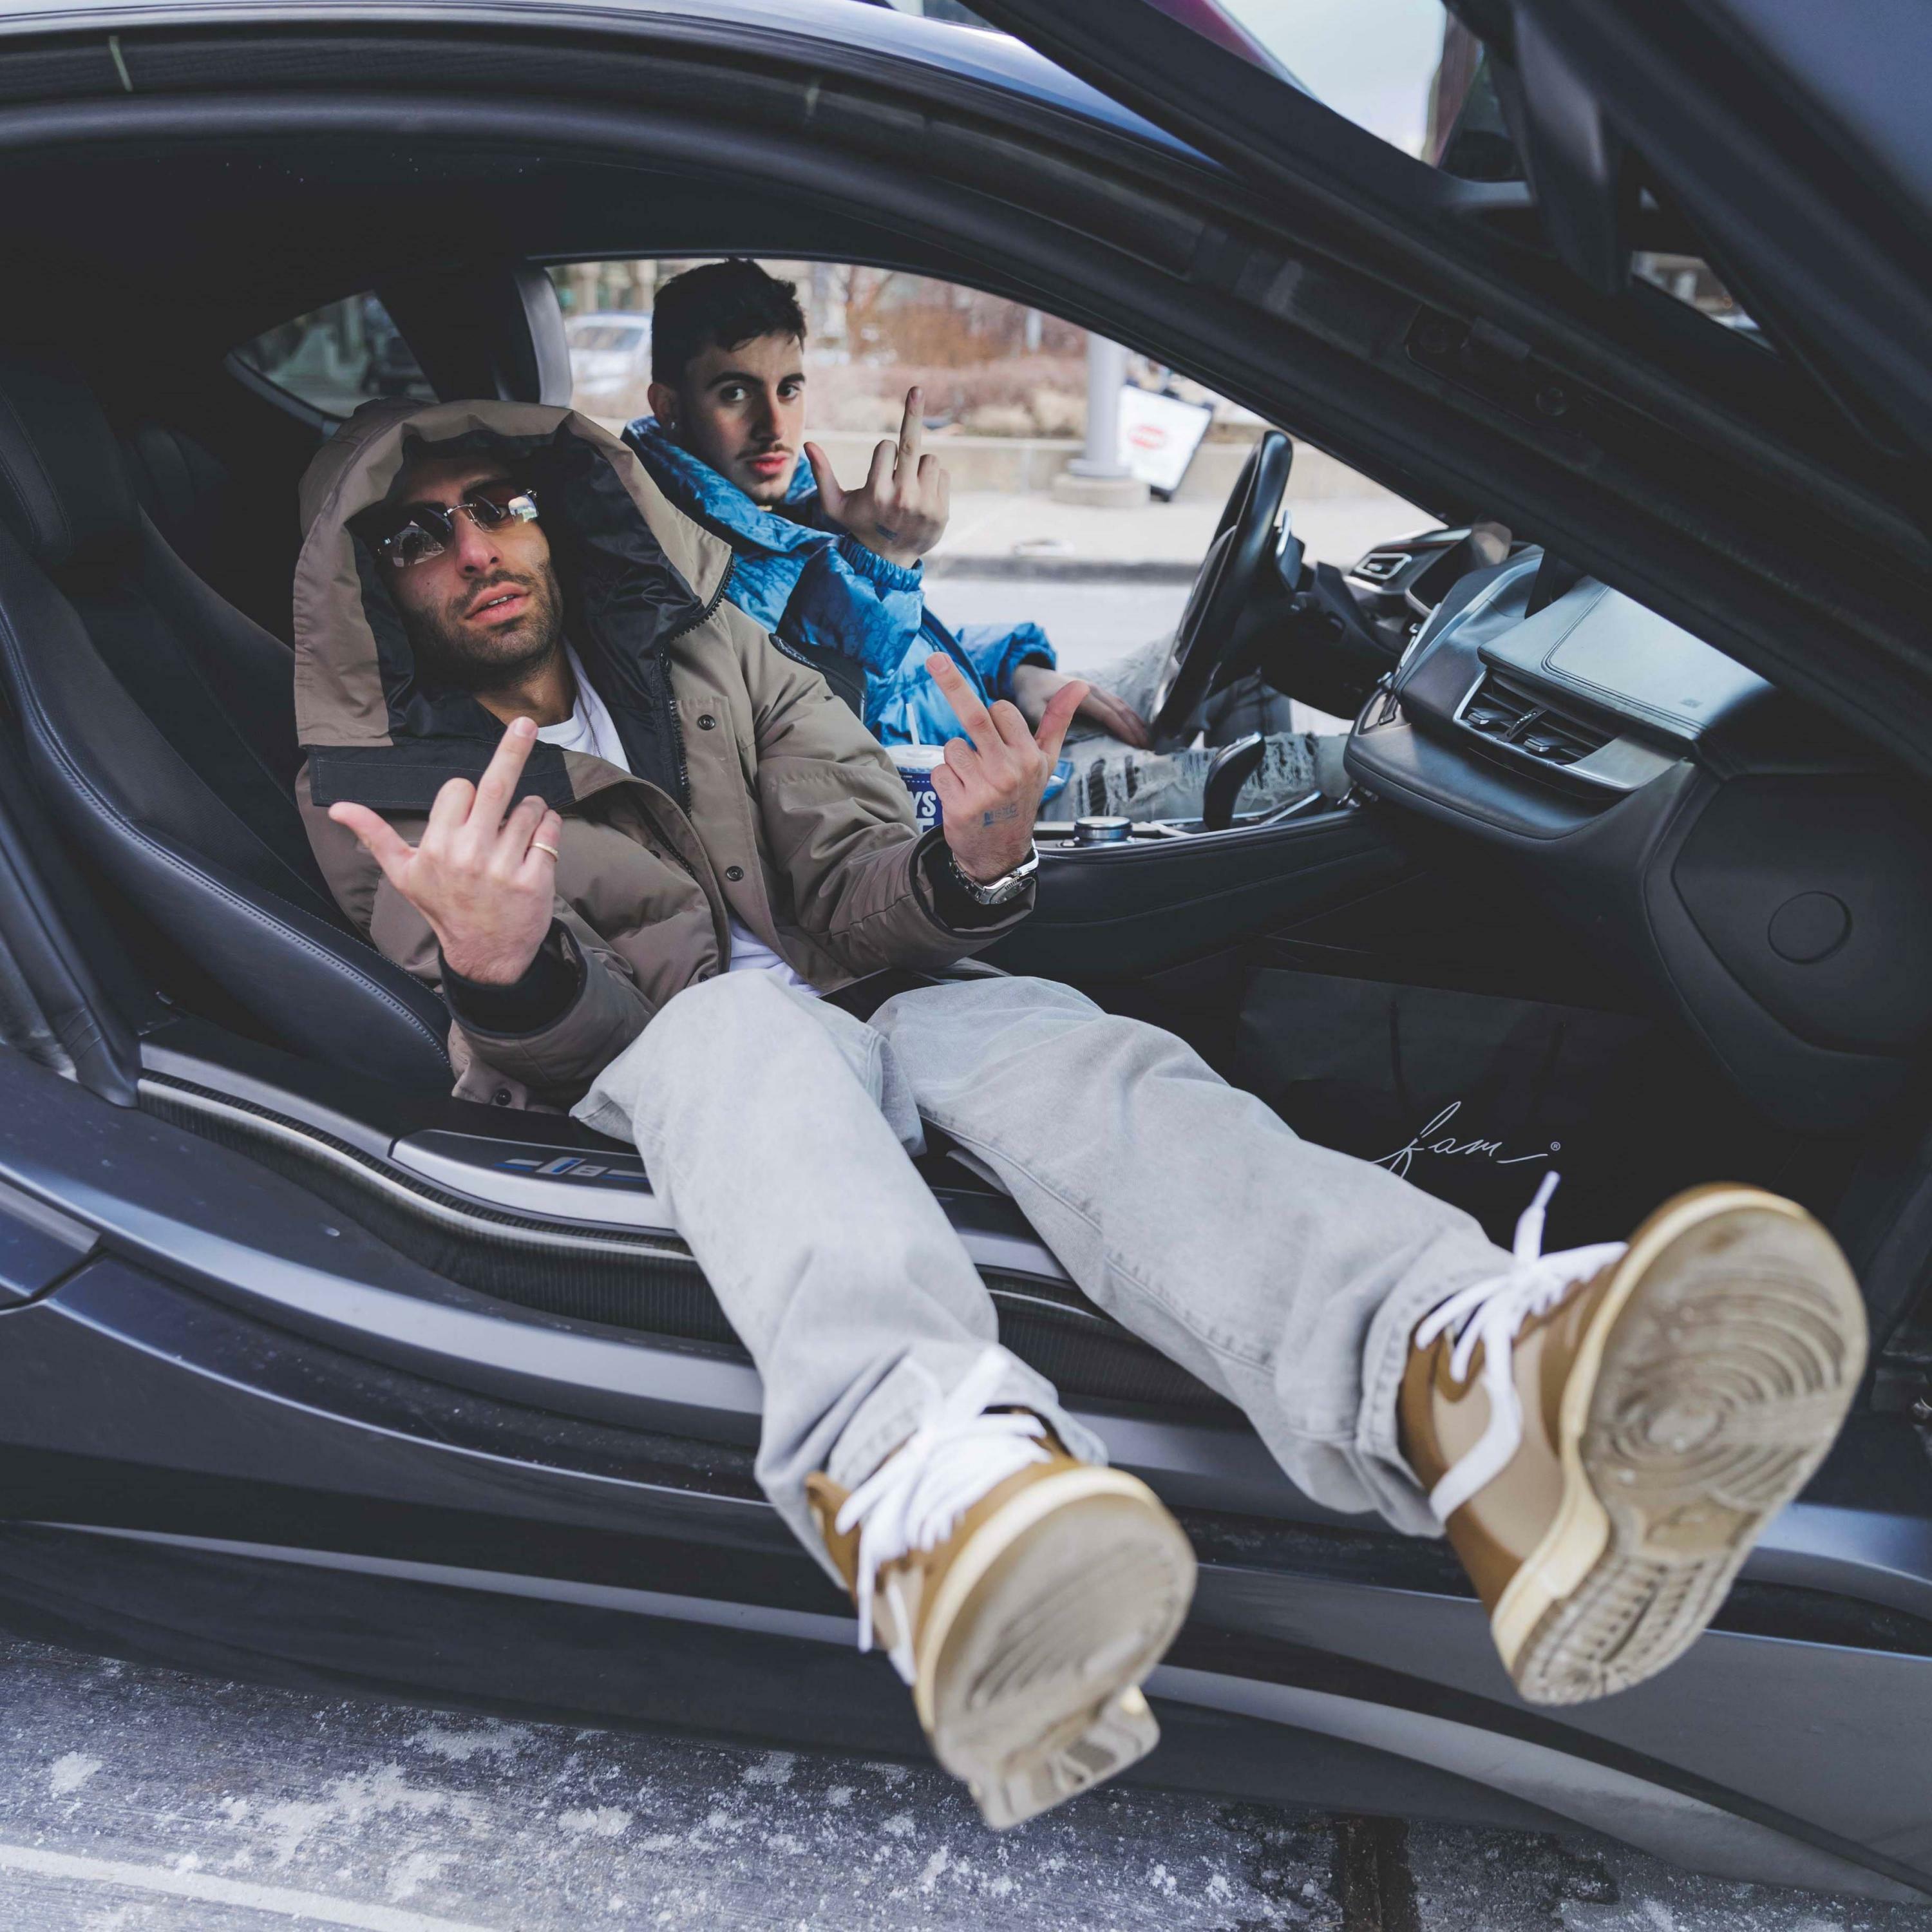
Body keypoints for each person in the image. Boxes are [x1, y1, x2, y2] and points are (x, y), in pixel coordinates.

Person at [296, 395, 1867, 1833]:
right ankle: (936, 1494)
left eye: (498, 506)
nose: (476, 550)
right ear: (374, 582)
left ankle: (1470, 1386)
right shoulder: (385, 789)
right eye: (420, 536)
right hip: (648, 1072)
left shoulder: (712, 657)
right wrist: (506, 971)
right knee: (741, 1030)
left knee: (1061, 1042)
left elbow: (849, 888)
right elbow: (534, 1048)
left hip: (863, 1010)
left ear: (554, 515)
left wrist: (963, 862)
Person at [621, 258, 1323, 820]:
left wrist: (1017, 670)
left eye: (790, 389)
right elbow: (820, 732)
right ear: (670, 407)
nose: (775, 425)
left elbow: (918, 654)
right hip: (971, 808)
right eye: (735, 393)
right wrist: (884, 559)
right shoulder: (684, 560)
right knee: (1324, 772)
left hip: (990, 727)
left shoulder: (781, 514)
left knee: (1254, 647)